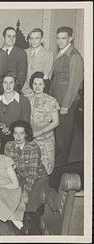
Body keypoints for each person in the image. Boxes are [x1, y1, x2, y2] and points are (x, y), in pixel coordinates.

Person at [50, 26, 84, 166]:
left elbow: (75, 84)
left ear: (70, 38)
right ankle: (58, 159)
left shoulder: (74, 56)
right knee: (58, 131)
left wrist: (65, 105)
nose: (60, 41)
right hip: (58, 98)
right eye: (58, 38)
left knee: (64, 133)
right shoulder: (61, 52)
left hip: (67, 101)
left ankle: (61, 164)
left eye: (63, 38)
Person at [4, 120, 48, 215]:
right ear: (12, 134)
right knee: (12, 201)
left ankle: (30, 224)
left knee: (29, 204)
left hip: (38, 179)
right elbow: (9, 170)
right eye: (16, 133)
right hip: (21, 178)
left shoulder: (33, 147)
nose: (18, 137)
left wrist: (25, 191)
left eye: (21, 133)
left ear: (26, 134)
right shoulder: (9, 146)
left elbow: (33, 173)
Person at [28, 72, 60, 175]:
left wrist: (40, 132)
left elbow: (56, 122)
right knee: (32, 169)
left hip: (46, 140)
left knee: (46, 170)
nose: (37, 87)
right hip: (32, 140)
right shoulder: (28, 99)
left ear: (45, 85)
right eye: (35, 84)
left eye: (40, 84)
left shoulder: (51, 100)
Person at [22, 28, 53, 97]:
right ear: (29, 40)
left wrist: (37, 91)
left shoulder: (48, 54)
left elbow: (46, 76)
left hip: (40, 92)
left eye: (37, 38)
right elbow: (22, 73)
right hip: (25, 92)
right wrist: (25, 90)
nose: (34, 41)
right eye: (32, 38)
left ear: (42, 40)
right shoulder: (24, 52)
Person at [1, 26, 27, 92]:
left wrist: (14, 92)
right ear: (3, 38)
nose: (11, 39)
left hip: (13, 92)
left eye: (14, 36)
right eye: (9, 36)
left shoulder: (21, 53)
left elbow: (21, 77)